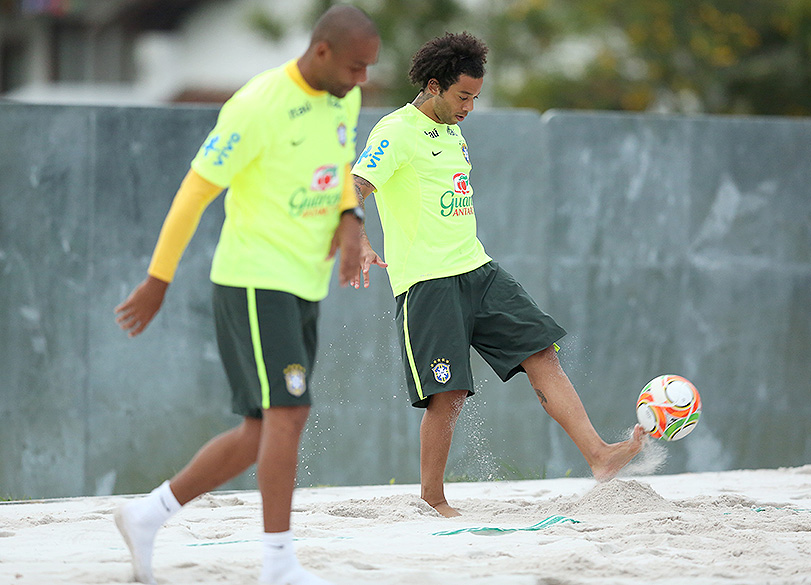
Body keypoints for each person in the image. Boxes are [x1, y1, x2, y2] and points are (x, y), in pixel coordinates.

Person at [112, 6, 379, 585]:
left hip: (304, 281)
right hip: (256, 281)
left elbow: (337, 165)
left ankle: (146, 515)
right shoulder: (258, 105)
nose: (363, 81)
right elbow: (194, 191)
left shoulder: (343, 98)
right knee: (291, 411)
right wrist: (159, 279)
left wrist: (352, 220)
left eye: (369, 70)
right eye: (356, 67)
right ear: (323, 51)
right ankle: (279, 566)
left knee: (261, 430)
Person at [350, 32, 644, 518]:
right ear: (433, 85)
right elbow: (356, 184)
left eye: (476, 98)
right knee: (448, 397)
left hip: (478, 270)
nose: (469, 107)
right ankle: (433, 498)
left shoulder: (451, 129)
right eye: (463, 96)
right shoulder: (395, 131)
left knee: (541, 352)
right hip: (428, 284)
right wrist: (356, 236)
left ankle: (600, 456)